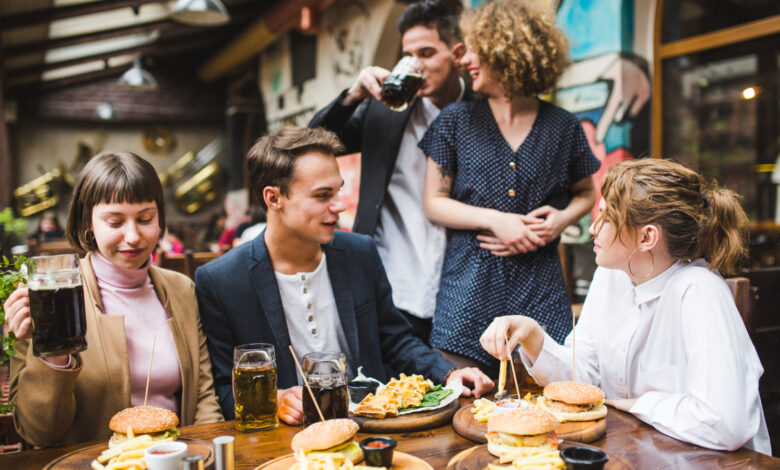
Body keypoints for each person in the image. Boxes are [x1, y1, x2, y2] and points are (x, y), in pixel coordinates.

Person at [196, 127, 493, 426]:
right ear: (274, 198)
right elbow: (223, 388)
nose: (339, 206)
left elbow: (396, 340)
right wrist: (277, 397)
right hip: (286, 436)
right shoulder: (221, 280)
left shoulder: (359, 252)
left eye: (338, 191)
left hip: (376, 425)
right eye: (323, 195)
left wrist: (448, 372)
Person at [480, 158, 771, 454]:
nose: (593, 227)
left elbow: (725, 424)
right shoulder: (610, 277)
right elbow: (585, 379)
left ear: (647, 237)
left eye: (606, 217)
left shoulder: (700, 290)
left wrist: (638, 405)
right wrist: (533, 336)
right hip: (637, 452)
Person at [420, 0, 600, 370]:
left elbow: (588, 193)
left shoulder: (563, 127)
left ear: (506, 51)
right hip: (466, 293)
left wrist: (561, 220)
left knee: (545, 400)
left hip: (540, 290)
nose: (465, 59)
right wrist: (497, 220)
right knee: (461, 401)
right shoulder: (454, 122)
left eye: (476, 50)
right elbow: (434, 202)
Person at [5, 152, 223, 447]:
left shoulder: (181, 289)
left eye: (145, 218)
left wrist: (206, 454)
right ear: (89, 223)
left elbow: (204, 397)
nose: (133, 236)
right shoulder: (52, 298)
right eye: (115, 221)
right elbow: (39, 433)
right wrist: (54, 352)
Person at [309, 0, 472, 345]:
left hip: (462, 283)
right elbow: (312, 142)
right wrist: (353, 95)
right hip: (392, 280)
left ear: (457, 53)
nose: (416, 65)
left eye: (427, 53)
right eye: (408, 54)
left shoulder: (483, 110)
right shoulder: (384, 110)